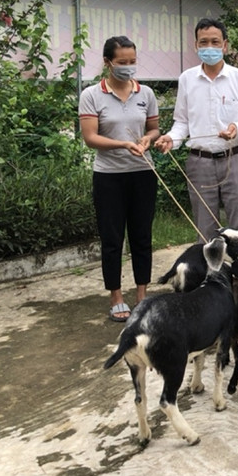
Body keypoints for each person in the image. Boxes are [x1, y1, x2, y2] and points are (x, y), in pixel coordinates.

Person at [154, 18, 238, 241]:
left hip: (235, 159)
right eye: (204, 42)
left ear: (225, 45)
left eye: (215, 41)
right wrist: (171, 139)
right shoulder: (187, 79)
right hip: (200, 162)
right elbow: (182, 122)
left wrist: (236, 128)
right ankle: (212, 276)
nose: (209, 47)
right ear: (196, 46)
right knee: (205, 231)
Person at [79, 35, 160, 322]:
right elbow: (90, 138)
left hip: (142, 174)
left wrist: (148, 141)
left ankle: (142, 295)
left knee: (142, 236)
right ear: (107, 62)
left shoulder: (145, 93)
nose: (128, 67)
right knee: (112, 239)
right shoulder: (91, 94)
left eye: (132, 62)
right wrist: (123, 145)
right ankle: (116, 295)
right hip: (109, 177)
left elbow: (154, 129)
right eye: (122, 62)